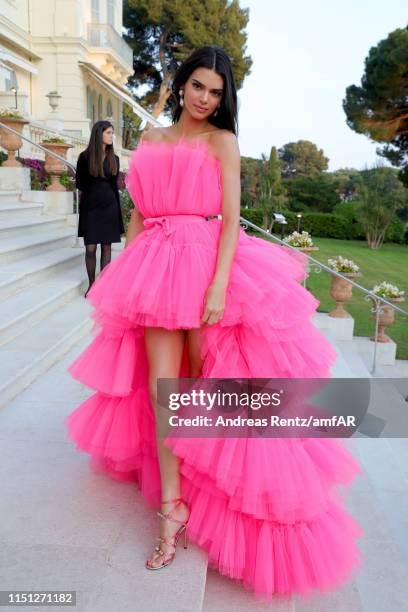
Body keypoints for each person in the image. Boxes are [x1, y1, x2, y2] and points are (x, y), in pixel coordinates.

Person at [66, 45, 364, 601]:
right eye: (197, 86)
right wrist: (122, 283)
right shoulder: (152, 141)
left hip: (205, 264)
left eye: (215, 92)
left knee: (216, 391)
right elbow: (137, 216)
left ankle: (226, 492)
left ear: (223, 99)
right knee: (166, 395)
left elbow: (229, 220)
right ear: (181, 85)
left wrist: (220, 284)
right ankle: (171, 511)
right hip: (155, 270)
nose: (203, 98)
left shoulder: (222, 142)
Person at [75, 120, 125, 297]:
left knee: (106, 247)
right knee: (90, 248)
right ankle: (91, 285)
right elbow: (80, 182)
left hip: (109, 206)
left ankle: (103, 287)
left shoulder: (115, 159)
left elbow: (114, 185)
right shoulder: (85, 157)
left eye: (112, 133)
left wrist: (117, 212)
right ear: (99, 134)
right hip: (91, 206)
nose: (112, 136)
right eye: (109, 133)